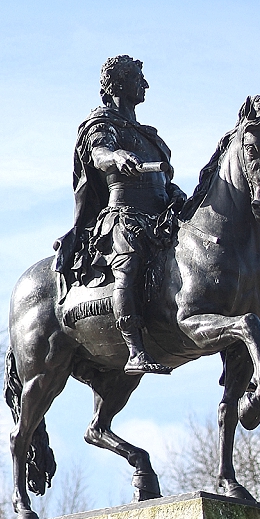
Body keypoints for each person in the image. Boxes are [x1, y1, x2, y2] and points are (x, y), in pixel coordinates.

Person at [54, 55, 188, 374]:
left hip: (161, 216)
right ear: (119, 82)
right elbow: (98, 154)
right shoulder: (102, 123)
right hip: (124, 213)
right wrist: (116, 156)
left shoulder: (150, 137)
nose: (145, 85)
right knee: (129, 262)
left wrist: (175, 193)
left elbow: (164, 180)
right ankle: (134, 349)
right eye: (138, 78)